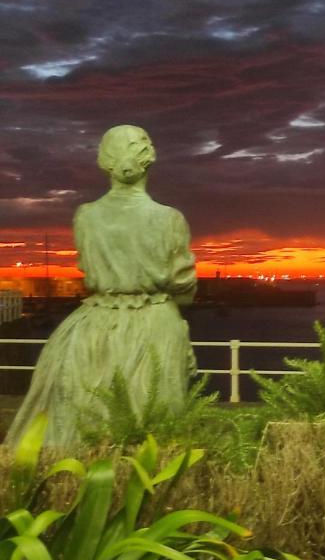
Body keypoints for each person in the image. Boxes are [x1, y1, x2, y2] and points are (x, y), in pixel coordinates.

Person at [6, 125, 197, 446]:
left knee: (78, 425)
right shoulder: (168, 219)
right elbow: (184, 288)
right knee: (155, 428)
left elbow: (86, 268)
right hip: (153, 326)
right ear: (149, 159)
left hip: (91, 328)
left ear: (103, 162)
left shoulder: (86, 216)